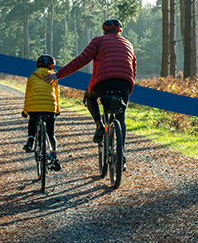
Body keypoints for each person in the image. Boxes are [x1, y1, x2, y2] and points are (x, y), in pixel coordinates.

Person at [44, 18, 136, 169]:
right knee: (121, 117)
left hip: (103, 82)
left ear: (104, 30)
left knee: (90, 97)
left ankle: (99, 124)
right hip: (124, 83)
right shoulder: (128, 44)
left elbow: (81, 60)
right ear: (119, 31)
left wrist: (59, 74)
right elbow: (133, 66)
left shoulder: (98, 41)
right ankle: (122, 155)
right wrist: (128, 88)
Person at [22, 54, 61, 171]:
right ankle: (54, 155)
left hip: (34, 108)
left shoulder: (31, 77)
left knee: (32, 121)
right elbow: (57, 96)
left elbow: (27, 95)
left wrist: (25, 111)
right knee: (51, 134)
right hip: (50, 108)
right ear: (51, 65)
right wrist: (57, 110)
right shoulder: (54, 77)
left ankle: (30, 141)